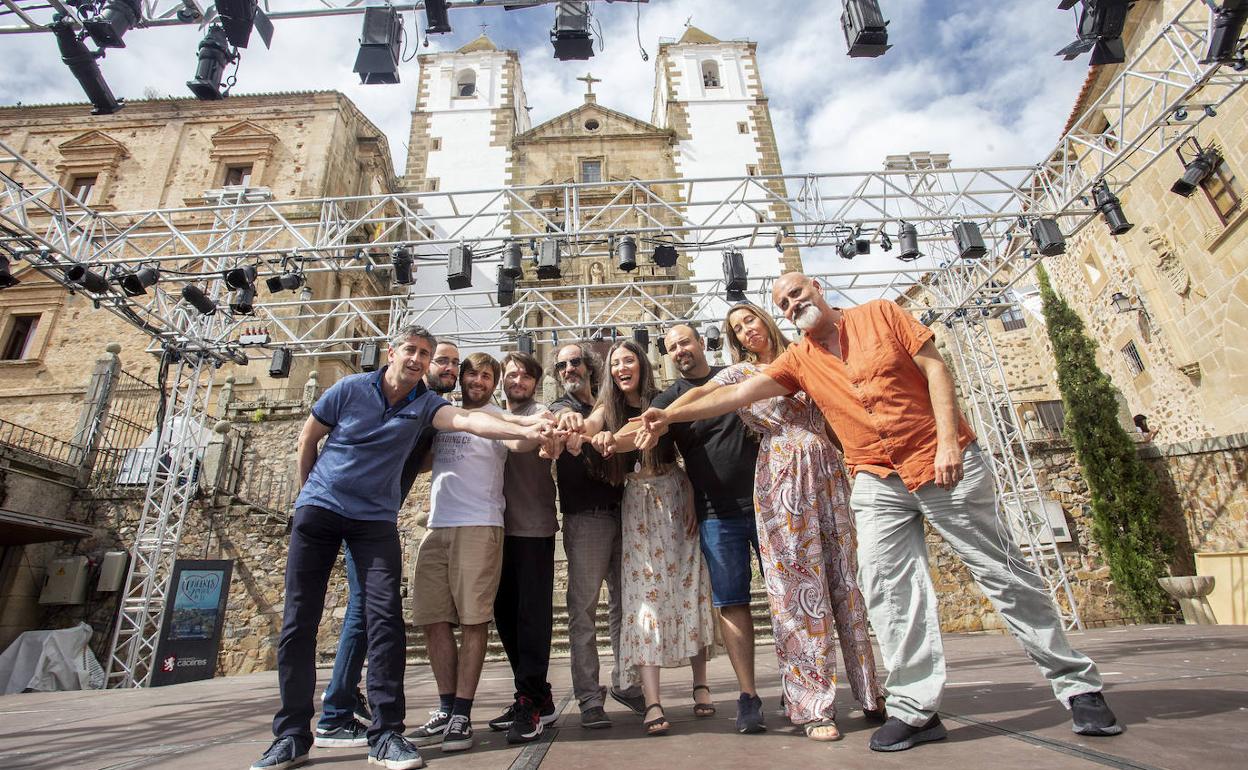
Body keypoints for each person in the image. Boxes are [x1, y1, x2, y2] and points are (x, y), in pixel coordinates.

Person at [638, 273, 1122, 752]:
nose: (791, 305)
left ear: (818, 289)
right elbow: (734, 394)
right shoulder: (799, 360)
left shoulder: (881, 314)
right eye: (783, 302)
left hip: (939, 460)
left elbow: (935, 368)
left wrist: (950, 440)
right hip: (875, 478)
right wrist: (667, 416)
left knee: (1002, 574)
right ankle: (915, 709)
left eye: (795, 294)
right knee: (887, 588)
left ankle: (1077, 686)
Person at [250, 326, 553, 770]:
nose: (416, 359)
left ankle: (387, 733)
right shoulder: (350, 387)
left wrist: (527, 421)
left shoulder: (428, 406)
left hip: (374, 520)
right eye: (412, 351)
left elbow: (472, 421)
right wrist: (307, 496)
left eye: (424, 353)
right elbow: (308, 437)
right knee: (298, 624)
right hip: (321, 511)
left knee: (385, 621)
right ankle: (292, 735)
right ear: (393, 352)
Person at [649, 304, 885, 741]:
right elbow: (701, 397)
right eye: (736, 328)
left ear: (766, 320)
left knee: (847, 584)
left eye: (749, 320)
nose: (745, 330)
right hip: (782, 476)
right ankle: (812, 704)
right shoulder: (738, 375)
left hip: (829, 473)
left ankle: (870, 691)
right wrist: (664, 417)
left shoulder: (807, 353)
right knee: (799, 591)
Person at [560, 339, 716, 737]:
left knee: (689, 586)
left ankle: (698, 684)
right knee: (643, 597)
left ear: (642, 364)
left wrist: (696, 498)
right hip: (637, 504)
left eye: (629, 360)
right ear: (609, 372)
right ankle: (649, 700)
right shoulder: (606, 408)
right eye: (615, 363)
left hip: (674, 495)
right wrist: (583, 432)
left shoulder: (663, 399)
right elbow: (594, 425)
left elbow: (688, 451)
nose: (622, 367)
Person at [408, 353, 556, 754]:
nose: (478, 380)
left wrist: (540, 430)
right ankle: (444, 706)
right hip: (438, 525)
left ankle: (462, 711)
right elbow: (420, 459)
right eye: (472, 373)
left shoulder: (499, 416)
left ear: (494, 385)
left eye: (487, 376)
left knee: (475, 620)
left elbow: (516, 440)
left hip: (480, 523)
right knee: (433, 618)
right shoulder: (445, 413)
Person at [649, 323, 766, 733]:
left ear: (702, 342)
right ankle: (748, 695)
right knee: (731, 604)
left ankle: (800, 680)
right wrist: (605, 438)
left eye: (685, 342)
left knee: (789, 596)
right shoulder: (668, 399)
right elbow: (647, 443)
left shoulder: (734, 374)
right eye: (672, 347)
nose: (680, 350)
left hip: (769, 504)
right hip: (717, 515)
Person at [547, 342, 645, 729]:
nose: (569, 369)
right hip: (585, 519)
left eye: (575, 362)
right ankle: (589, 697)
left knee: (627, 605)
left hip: (627, 513)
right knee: (583, 611)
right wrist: (569, 419)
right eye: (561, 366)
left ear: (589, 367)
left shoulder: (613, 407)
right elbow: (564, 416)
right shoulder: (560, 408)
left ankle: (625, 682)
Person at [487, 352, 561, 744]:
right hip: (496, 529)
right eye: (511, 374)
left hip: (532, 528)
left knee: (532, 618)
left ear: (535, 381)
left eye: (525, 375)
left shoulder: (542, 412)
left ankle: (530, 700)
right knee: (505, 615)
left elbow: (520, 444)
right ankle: (533, 695)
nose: (517, 380)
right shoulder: (494, 413)